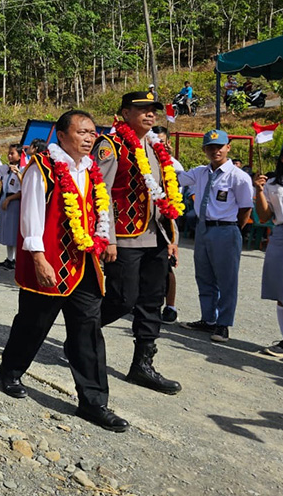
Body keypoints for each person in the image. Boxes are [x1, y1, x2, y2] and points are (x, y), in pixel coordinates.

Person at [0, 110, 128, 432]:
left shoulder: (92, 171)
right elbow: (31, 217)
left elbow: (100, 209)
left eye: (92, 132)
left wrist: (104, 239)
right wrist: (39, 259)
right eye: (82, 132)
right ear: (61, 133)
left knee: (88, 331)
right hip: (50, 262)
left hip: (84, 264)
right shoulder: (42, 168)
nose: (89, 138)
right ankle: (10, 370)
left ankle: (94, 401)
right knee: (33, 324)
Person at [92, 91, 183, 395]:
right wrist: (108, 238)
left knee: (151, 300)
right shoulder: (111, 145)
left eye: (153, 110)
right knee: (122, 297)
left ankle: (142, 365)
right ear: (125, 112)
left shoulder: (157, 146)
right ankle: (83, 334)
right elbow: (99, 192)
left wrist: (172, 236)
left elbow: (167, 194)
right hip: (125, 236)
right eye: (142, 109)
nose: (149, 114)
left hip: (156, 235)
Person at [178, 130, 253, 343]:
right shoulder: (200, 172)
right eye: (210, 147)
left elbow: (246, 207)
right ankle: (208, 319)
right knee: (204, 276)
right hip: (203, 228)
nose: (215, 151)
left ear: (228, 147)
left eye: (219, 146)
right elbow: (176, 177)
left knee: (226, 279)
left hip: (225, 229)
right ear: (204, 150)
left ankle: (223, 324)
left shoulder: (238, 176)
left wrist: (233, 228)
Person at [253, 142, 283, 360]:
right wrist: (259, 191)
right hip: (282, 233)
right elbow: (264, 216)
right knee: (282, 288)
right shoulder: (273, 183)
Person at [151, 126, 181, 324]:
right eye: (155, 141)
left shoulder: (173, 166)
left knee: (167, 268)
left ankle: (170, 306)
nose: (158, 145)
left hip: (164, 221)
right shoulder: (141, 158)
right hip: (142, 222)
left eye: (162, 141)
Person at [0, 144, 22, 269]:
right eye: (9, 153)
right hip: (5, 198)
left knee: (14, 231)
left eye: (12, 153)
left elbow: (23, 189)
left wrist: (9, 199)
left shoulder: (22, 169)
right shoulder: (6, 169)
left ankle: (17, 259)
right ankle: (9, 258)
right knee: (7, 230)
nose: (9, 156)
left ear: (19, 155)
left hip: (14, 200)